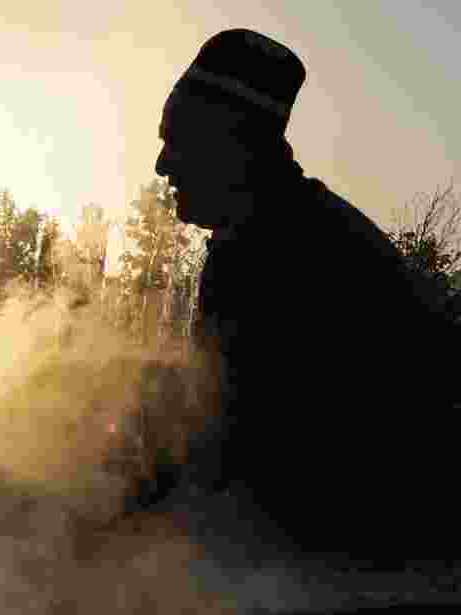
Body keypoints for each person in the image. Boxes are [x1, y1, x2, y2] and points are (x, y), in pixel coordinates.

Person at [153, 29, 459, 565]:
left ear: (232, 142)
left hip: (378, 572)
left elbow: (266, 455)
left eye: (177, 140)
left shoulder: (310, 252)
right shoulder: (251, 243)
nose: (162, 165)